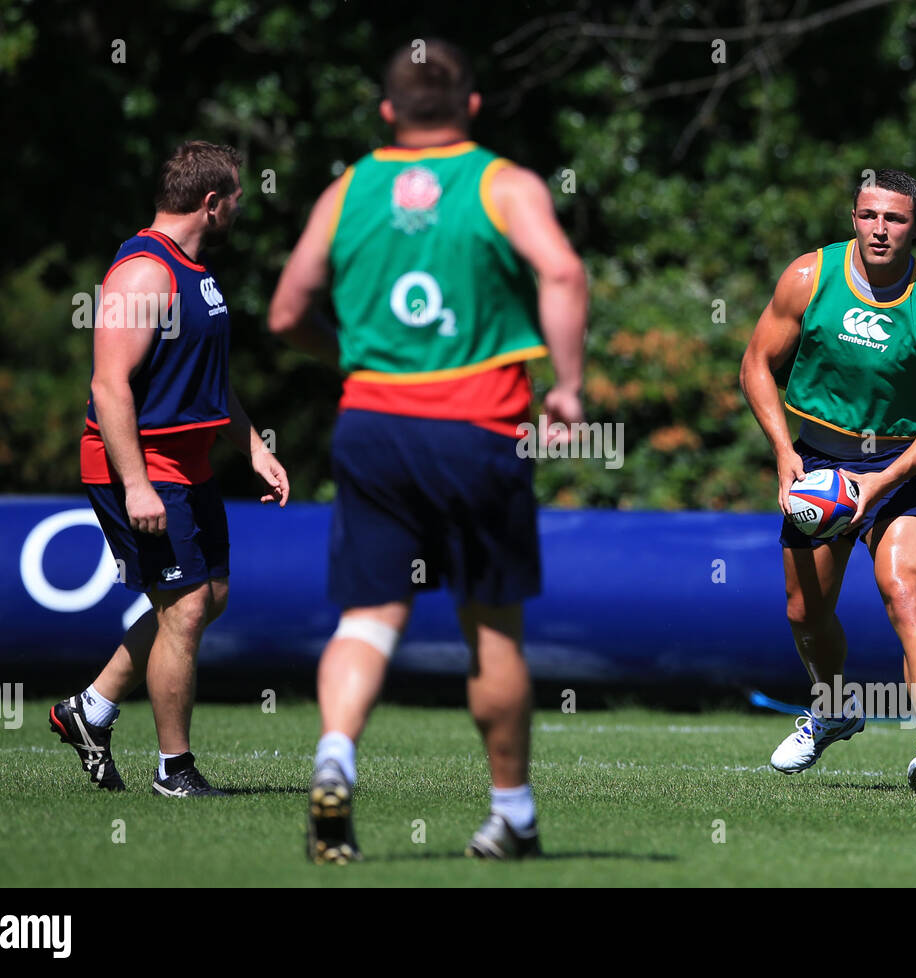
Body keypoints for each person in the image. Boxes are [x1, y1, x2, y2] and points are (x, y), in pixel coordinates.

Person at [268, 39, 588, 861]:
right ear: (471, 107)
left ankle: (336, 754)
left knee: (370, 615)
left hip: (372, 424)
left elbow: (284, 312)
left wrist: (356, 356)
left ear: (386, 113)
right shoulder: (502, 184)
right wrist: (568, 386)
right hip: (478, 425)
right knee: (492, 628)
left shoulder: (348, 190)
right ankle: (511, 812)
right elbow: (562, 274)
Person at [50, 141, 290, 797]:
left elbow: (209, 379)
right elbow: (109, 387)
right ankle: (174, 773)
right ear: (211, 204)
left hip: (190, 466)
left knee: (207, 598)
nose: (240, 207)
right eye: (236, 198)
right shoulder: (144, 273)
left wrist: (254, 448)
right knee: (183, 610)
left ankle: (89, 710)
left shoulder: (193, 269)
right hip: (142, 467)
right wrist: (135, 484)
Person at [739, 170, 916, 795]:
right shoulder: (809, 278)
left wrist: (885, 481)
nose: (880, 229)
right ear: (853, 218)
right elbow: (756, 364)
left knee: (905, 591)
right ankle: (835, 708)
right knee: (804, 611)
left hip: (897, 471)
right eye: (869, 215)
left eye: (894, 219)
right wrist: (785, 453)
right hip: (816, 464)